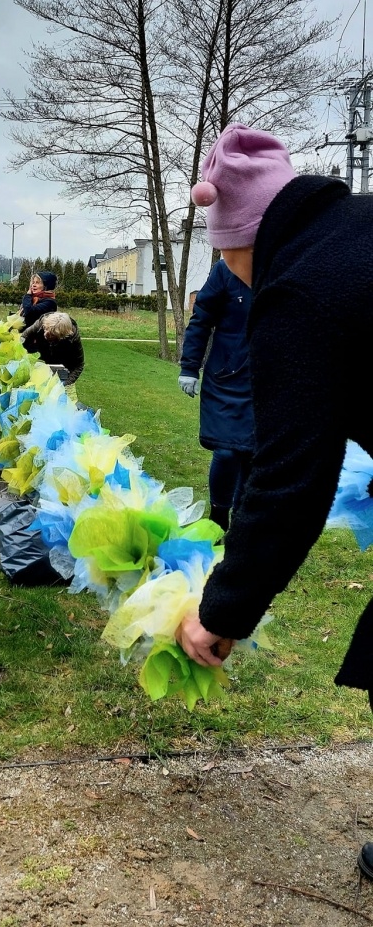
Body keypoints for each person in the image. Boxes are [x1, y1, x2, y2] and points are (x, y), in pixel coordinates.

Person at [174, 123, 373, 881]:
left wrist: (223, 610)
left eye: (229, 258)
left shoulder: (299, 289)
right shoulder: (358, 224)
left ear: (245, 238)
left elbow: (292, 476)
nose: (235, 275)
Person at [178, 259, 254, 531]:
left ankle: (243, 523)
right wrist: (189, 367)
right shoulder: (227, 269)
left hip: (267, 381)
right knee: (226, 451)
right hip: (226, 377)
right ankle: (219, 516)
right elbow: (201, 319)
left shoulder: (288, 263)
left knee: (252, 454)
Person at [21, 311, 85, 385]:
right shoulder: (41, 323)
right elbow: (23, 338)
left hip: (61, 370)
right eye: (45, 329)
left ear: (62, 335)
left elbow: (78, 365)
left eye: (52, 335)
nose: (45, 334)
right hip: (39, 364)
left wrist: (65, 384)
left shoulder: (74, 339)